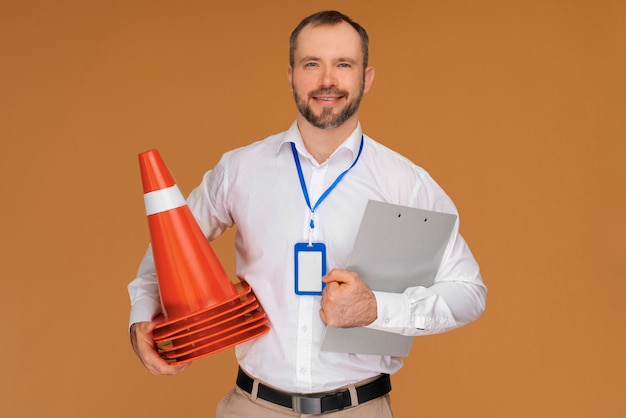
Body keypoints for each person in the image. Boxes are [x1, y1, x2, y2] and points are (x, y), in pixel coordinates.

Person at [128, 10, 487, 417]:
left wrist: (377, 309)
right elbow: (165, 250)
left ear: (366, 78)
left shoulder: (407, 183)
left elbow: (469, 292)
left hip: (359, 408)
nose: (327, 80)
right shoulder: (239, 170)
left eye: (344, 65)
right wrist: (140, 319)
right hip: (253, 406)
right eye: (312, 64)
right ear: (291, 75)